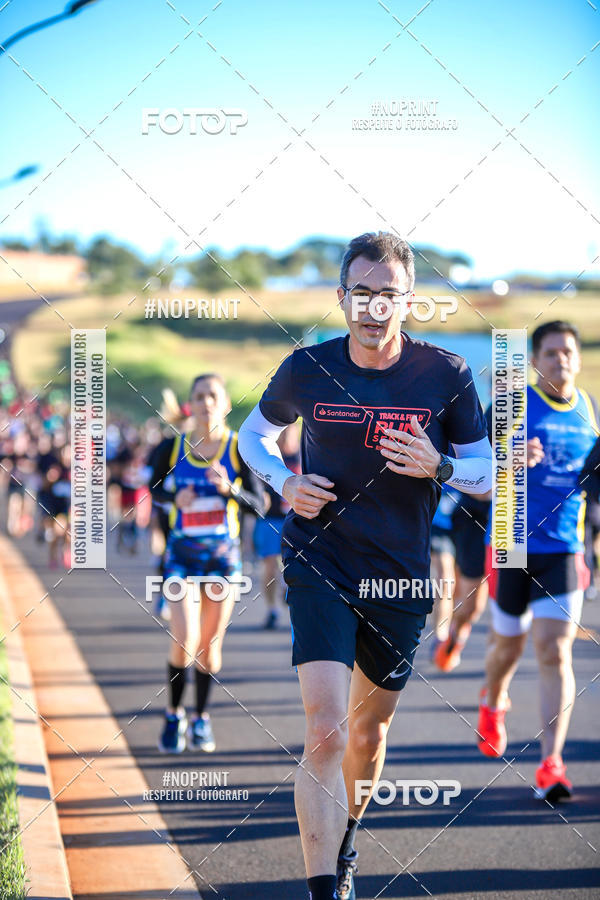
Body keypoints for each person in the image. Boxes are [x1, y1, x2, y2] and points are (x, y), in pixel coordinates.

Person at [239, 231, 492, 900]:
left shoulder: (447, 375)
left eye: (387, 294)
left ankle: (347, 842)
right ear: (342, 296)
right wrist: (282, 482)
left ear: (408, 299)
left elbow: (488, 474)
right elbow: (252, 436)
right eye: (361, 292)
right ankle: (323, 888)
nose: (373, 307)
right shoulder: (307, 367)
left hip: (403, 575)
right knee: (324, 726)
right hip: (319, 558)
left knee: (367, 734)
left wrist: (438, 466)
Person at [477, 321, 598, 803]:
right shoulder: (510, 406)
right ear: (534, 360)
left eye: (568, 351)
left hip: (564, 549)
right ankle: (492, 699)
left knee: (554, 650)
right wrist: (507, 459)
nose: (560, 360)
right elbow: (471, 472)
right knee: (507, 646)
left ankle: (551, 764)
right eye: (549, 353)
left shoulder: (590, 408)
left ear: (579, 357)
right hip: (511, 543)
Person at [150, 374, 264, 754]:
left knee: (209, 648)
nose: (206, 403)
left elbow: (261, 505)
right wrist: (172, 497)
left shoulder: (238, 450)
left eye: (212, 396)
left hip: (222, 558)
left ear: (226, 403)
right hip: (181, 556)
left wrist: (231, 490)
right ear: (190, 404)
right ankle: (173, 714)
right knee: (184, 639)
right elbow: (154, 490)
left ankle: (200, 718)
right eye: (198, 396)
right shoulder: (172, 447)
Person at [253, 424, 301, 629]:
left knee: (296, 566)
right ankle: (272, 608)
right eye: (285, 430)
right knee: (270, 565)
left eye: (292, 430)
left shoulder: (304, 455)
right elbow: (256, 489)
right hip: (271, 519)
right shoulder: (272, 456)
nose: (288, 434)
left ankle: (289, 594)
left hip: (299, 519)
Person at [428, 484, 458, 656]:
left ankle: (459, 631)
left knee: (473, 604)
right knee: (445, 577)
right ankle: (441, 636)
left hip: (469, 525)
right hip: (437, 526)